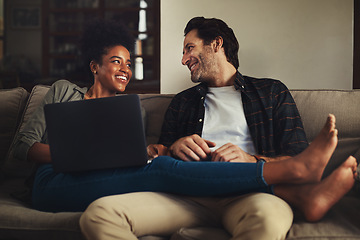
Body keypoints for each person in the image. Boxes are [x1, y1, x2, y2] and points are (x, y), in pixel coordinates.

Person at [79, 17, 358, 240]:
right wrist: (174, 147)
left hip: (251, 196)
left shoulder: (272, 93)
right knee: (99, 214)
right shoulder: (182, 102)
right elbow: (158, 161)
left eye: (190, 48)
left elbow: (298, 159)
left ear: (216, 43)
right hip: (186, 196)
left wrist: (251, 159)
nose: (183, 58)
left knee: (268, 221)